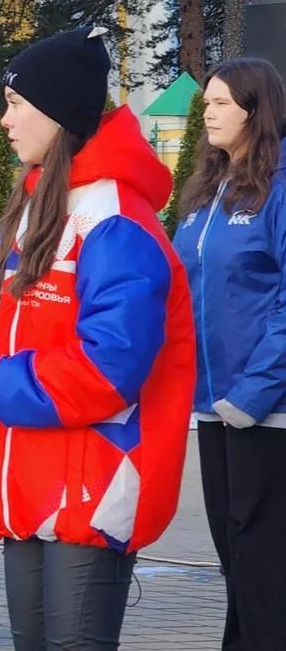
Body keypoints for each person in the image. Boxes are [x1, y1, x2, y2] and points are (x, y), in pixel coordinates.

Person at [0, 27, 195, 651]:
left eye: (16, 105)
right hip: (27, 482)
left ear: (57, 113)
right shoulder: (36, 208)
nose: (3, 121)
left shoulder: (118, 223)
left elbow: (106, 372)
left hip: (97, 482)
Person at [171, 57, 286, 650]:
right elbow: (179, 288)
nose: (207, 113)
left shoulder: (280, 187)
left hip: (265, 411)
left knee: (264, 555)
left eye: (219, 104)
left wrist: (252, 393)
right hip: (211, 405)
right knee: (233, 552)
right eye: (207, 103)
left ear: (254, 110)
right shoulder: (205, 193)